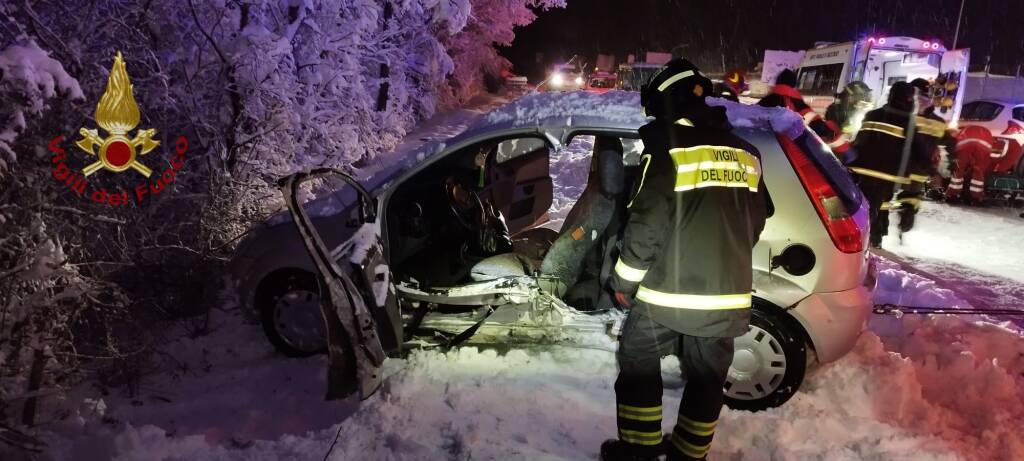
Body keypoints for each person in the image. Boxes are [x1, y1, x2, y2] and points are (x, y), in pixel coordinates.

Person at [600, 58, 767, 461]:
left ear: (663, 103)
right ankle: (689, 454)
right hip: (727, 299)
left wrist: (623, 283)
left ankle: (638, 453)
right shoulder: (746, 153)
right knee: (708, 379)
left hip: (665, 297)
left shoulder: (666, 151)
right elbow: (757, 219)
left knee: (638, 362)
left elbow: (645, 228)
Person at [847, 81, 932, 247]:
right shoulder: (908, 121)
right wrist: (930, 168)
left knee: (865, 204)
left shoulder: (872, 114)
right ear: (908, 98)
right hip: (887, 175)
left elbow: (859, 141)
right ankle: (869, 238)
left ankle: (867, 235)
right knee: (879, 206)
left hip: (863, 171)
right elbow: (920, 151)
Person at [758, 69, 851, 158]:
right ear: (794, 85)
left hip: (763, 152)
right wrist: (845, 147)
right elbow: (823, 131)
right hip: (791, 158)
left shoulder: (762, 103)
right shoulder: (798, 105)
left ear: (777, 83)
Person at [945, 125, 996, 204]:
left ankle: (952, 195)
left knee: (959, 169)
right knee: (979, 170)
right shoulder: (983, 131)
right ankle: (976, 197)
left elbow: (954, 151)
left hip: (966, 142)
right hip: (984, 143)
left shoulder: (960, 132)